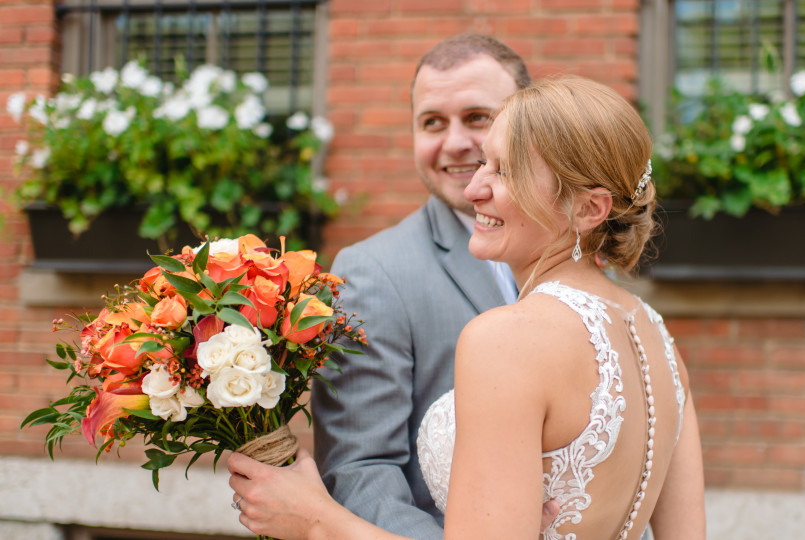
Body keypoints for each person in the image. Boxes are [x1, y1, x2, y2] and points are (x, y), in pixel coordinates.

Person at [228, 76, 706, 539]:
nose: (476, 189)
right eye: (485, 163)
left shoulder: (505, 338)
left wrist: (315, 520)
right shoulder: (659, 340)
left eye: (506, 172)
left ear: (588, 209)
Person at [315, 33, 545, 538]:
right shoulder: (372, 271)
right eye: (432, 123)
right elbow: (359, 471)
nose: (456, 142)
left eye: (478, 117)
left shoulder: (585, 256)